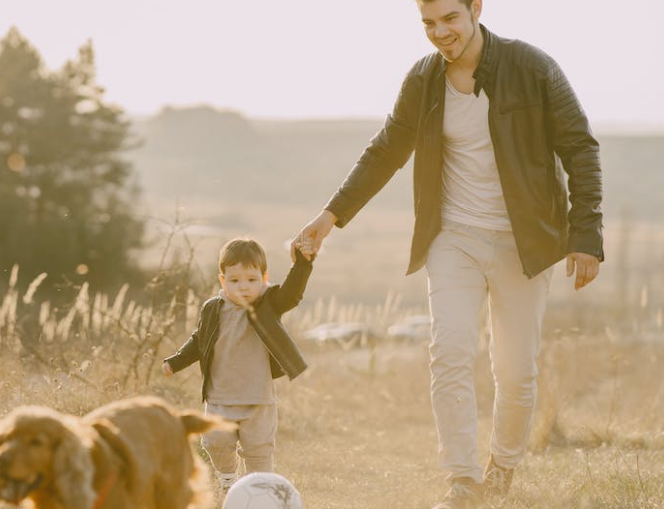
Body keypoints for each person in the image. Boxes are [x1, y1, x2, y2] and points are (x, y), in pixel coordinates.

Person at [291, 0, 603, 507]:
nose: (440, 33)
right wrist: (330, 216)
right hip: (453, 236)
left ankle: (502, 467)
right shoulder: (423, 79)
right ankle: (461, 481)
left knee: (515, 370)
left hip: (524, 241)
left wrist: (585, 236)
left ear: (475, 8)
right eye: (428, 24)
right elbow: (387, 148)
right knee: (450, 352)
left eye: (449, 19)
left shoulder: (532, 66)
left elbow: (579, 147)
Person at [162, 237, 314, 497]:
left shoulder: (269, 303)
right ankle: (228, 479)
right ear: (223, 281)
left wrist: (302, 264)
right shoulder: (213, 309)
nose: (243, 287)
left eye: (252, 280)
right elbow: (199, 340)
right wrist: (176, 361)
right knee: (215, 442)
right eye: (234, 280)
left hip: (259, 400)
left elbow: (292, 293)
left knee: (259, 452)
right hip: (220, 396)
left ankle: (264, 497)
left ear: (264, 278)